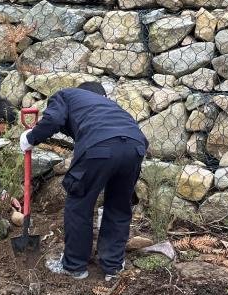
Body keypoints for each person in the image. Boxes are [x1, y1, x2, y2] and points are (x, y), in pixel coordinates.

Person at [19, 81, 148, 281]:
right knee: (119, 206)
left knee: (80, 203)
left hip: (99, 146)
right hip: (135, 147)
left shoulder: (67, 95)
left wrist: (31, 137)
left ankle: (74, 266)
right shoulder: (111, 106)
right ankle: (113, 266)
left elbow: (53, 120)